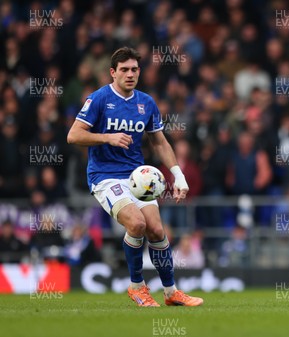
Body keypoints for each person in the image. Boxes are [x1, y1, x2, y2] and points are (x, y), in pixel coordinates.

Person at [67, 47, 203, 307]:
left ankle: (171, 292)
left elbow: (160, 142)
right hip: (105, 177)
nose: (130, 74)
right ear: (112, 72)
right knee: (137, 224)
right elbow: (73, 135)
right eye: (124, 70)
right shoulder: (98, 99)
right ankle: (137, 286)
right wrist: (107, 136)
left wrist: (178, 174)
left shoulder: (146, 102)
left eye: (134, 70)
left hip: (137, 177)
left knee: (156, 229)